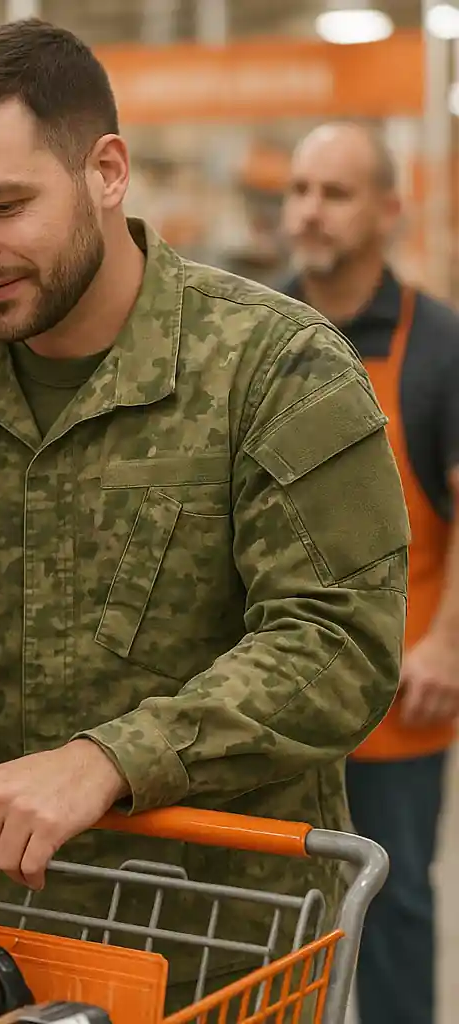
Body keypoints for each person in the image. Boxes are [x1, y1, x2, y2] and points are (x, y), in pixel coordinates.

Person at [0, 19, 408, 1013]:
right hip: (2, 948)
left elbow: (337, 644)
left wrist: (109, 757)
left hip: (225, 949)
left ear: (108, 171)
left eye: (4, 205)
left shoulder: (275, 367)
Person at [281, 121, 459, 1024]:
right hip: (274, 703)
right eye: (300, 190)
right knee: (274, 924)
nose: (309, 211)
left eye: (335, 193)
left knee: (393, 918)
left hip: (400, 699)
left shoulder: (440, 347)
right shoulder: (260, 335)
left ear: (389, 209)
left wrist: (446, 644)